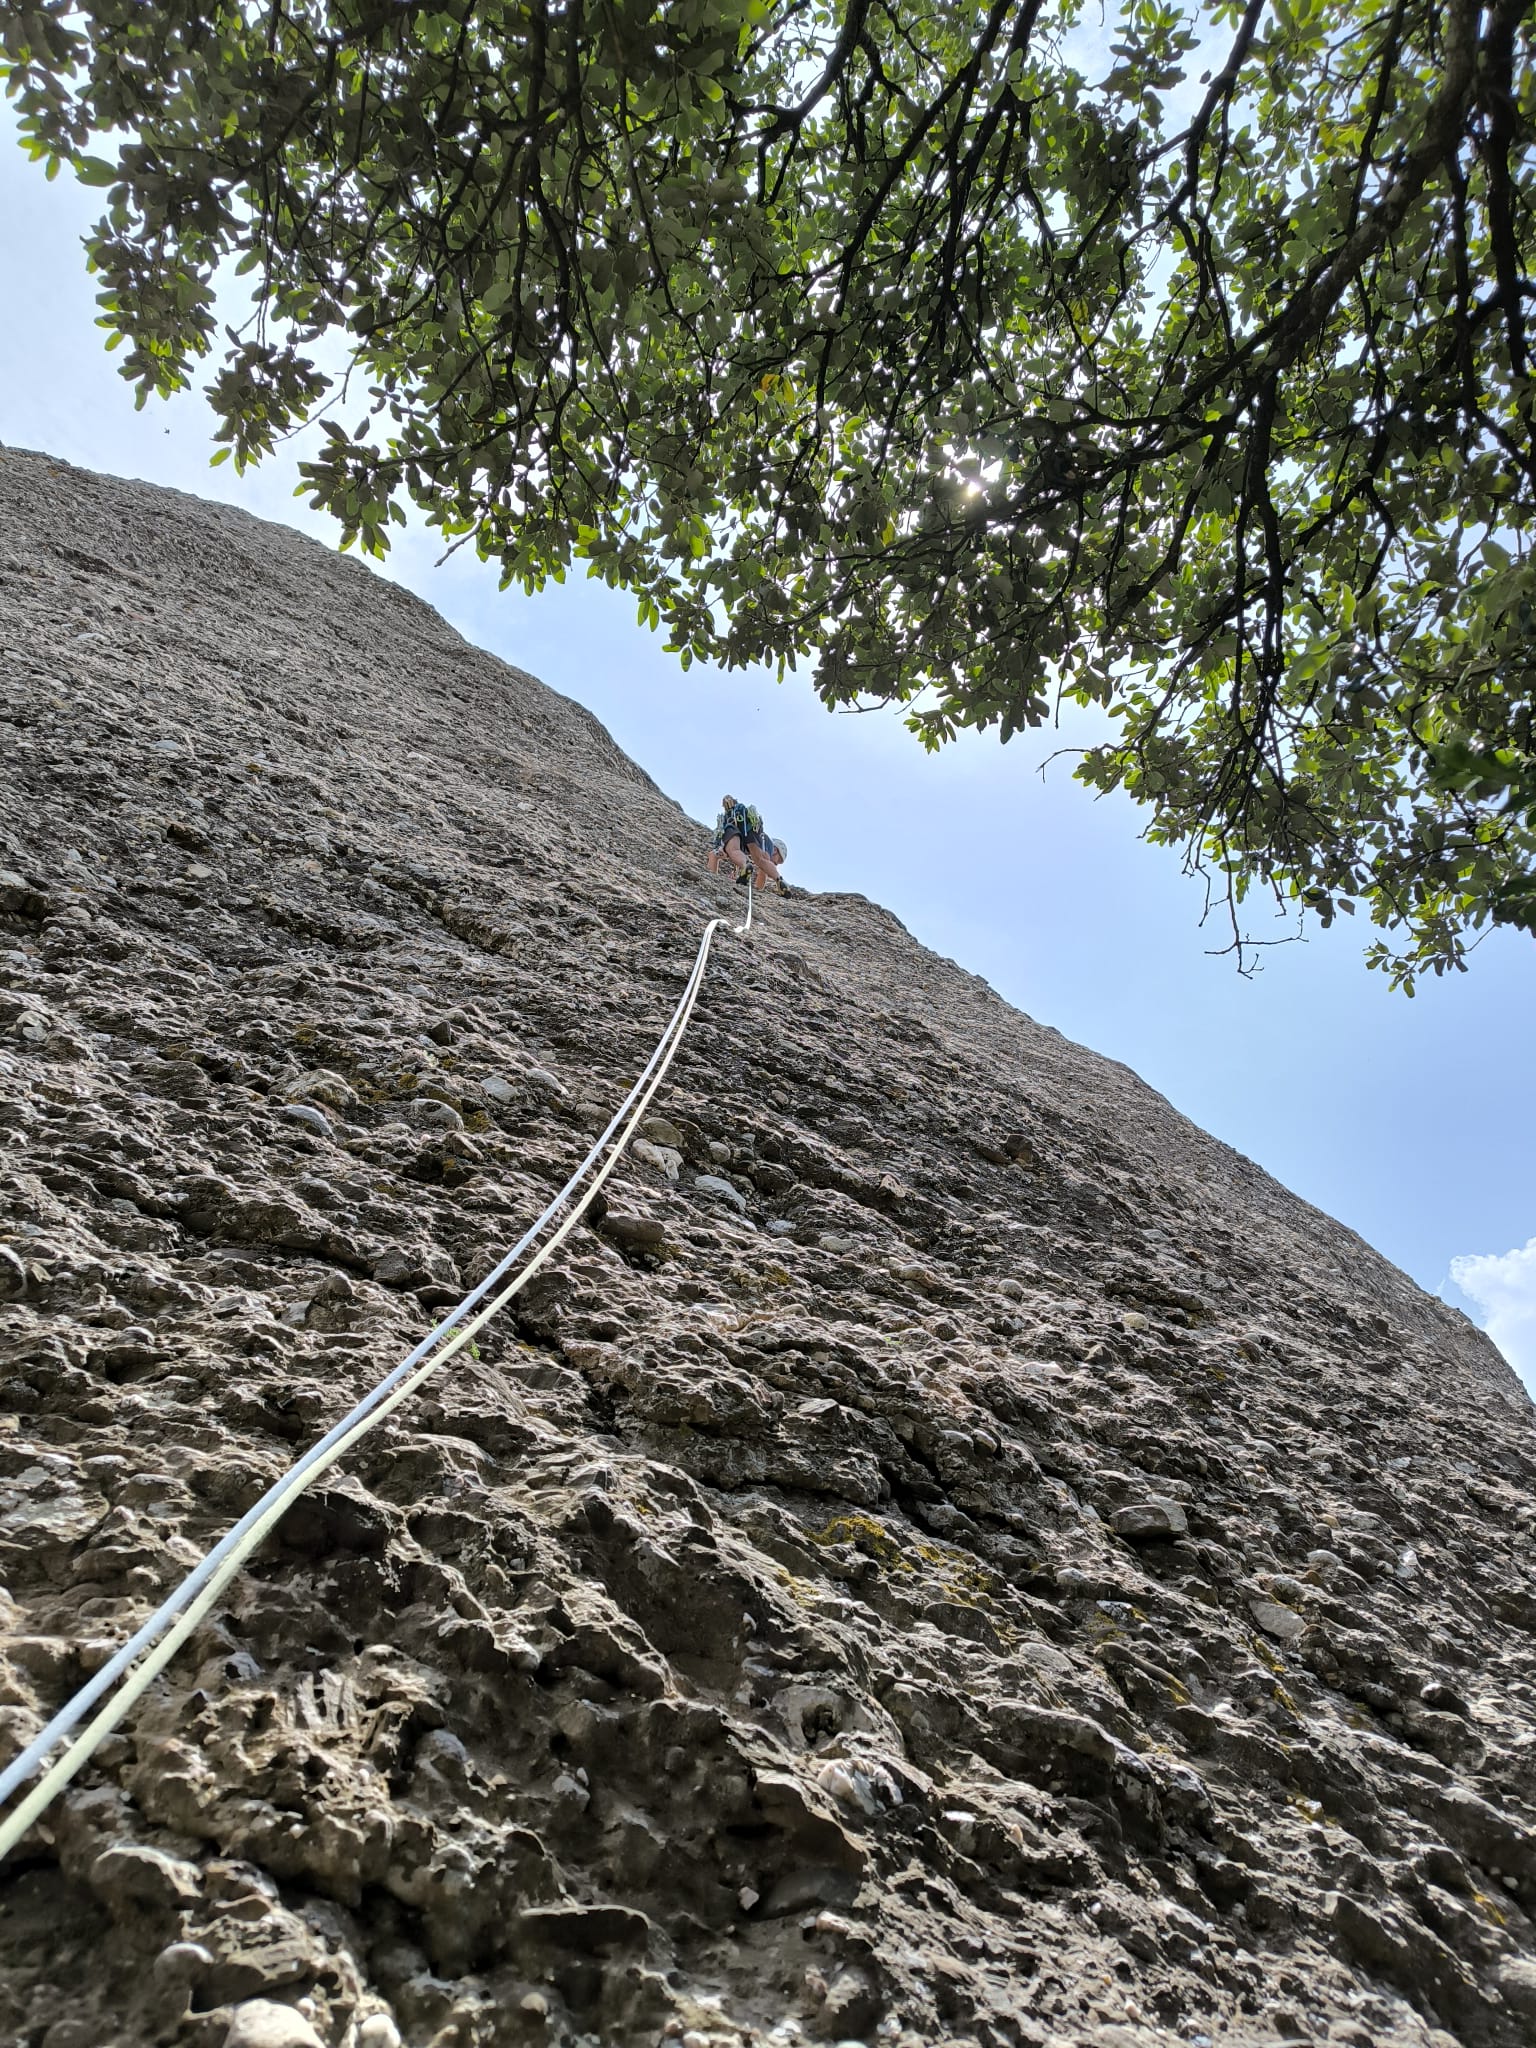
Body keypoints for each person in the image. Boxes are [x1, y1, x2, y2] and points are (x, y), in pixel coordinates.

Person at [708, 796, 793, 896]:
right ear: (775, 850)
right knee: (761, 860)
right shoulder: (766, 841)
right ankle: (779, 880)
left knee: (727, 852)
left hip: (733, 825)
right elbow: (762, 872)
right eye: (777, 861)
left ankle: (742, 866)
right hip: (751, 829)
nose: (775, 864)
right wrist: (757, 889)